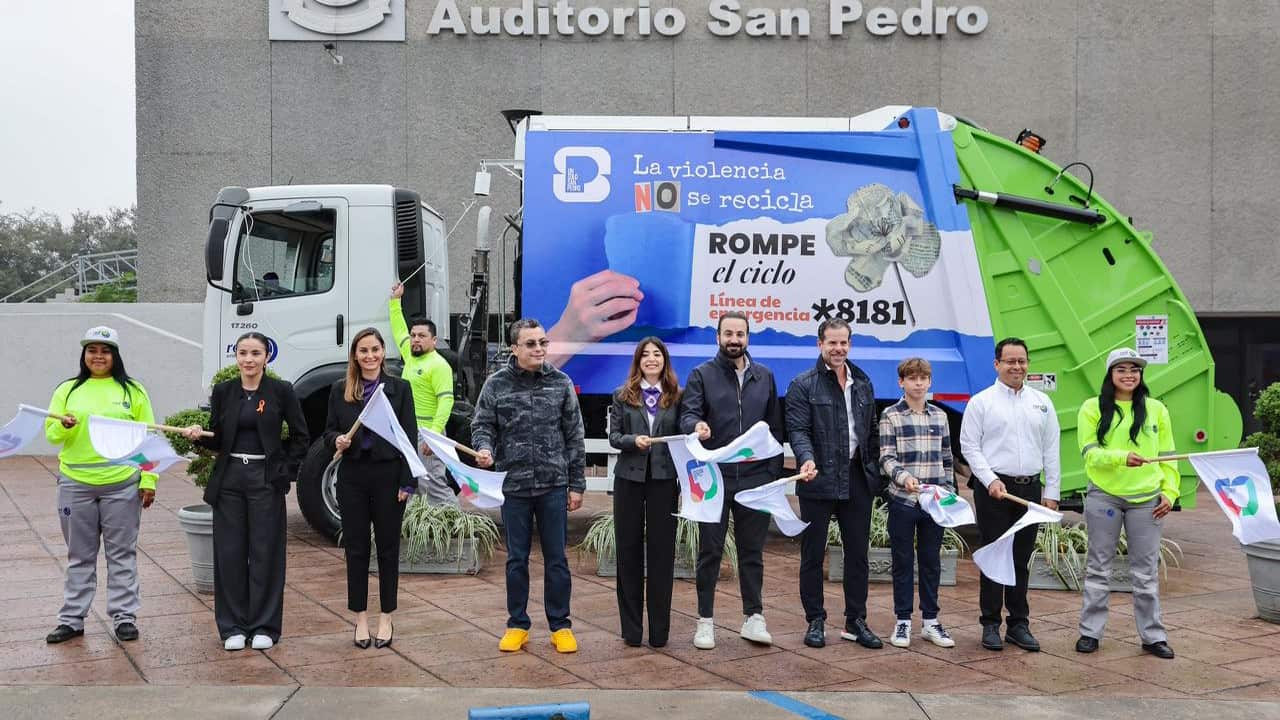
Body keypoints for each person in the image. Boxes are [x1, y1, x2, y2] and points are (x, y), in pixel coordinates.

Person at [181, 332, 309, 651]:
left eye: (255, 353)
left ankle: (265, 625)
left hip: (265, 480)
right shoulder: (224, 392)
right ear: (235, 357)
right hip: (230, 481)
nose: (248, 359)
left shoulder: (281, 391)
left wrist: (283, 470)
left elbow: (300, 437)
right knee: (230, 554)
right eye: (242, 353)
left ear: (267, 357)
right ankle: (233, 627)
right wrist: (198, 437)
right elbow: (218, 438)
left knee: (266, 553)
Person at [473, 318, 586, 654]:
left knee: (557, 560)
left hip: (553, 485)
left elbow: (574, 437)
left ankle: (560, 626)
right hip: (515, 486)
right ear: (514, 348)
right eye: (531, 344)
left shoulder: (561, 383)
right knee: (516, 560)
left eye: (543, 342)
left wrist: (576, 484)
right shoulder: (496, 385)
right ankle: (517, 624)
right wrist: (484, 448)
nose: (539, 349)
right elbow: (482, 425)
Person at [44, 326, 158, 645]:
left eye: (105, 350)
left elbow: (146, 437)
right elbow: (52, 434)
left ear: (115, 355)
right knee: (79, 554)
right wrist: (63, 425)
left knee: (121, 553)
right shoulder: (68, 389)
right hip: (75, 483)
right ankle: (71, 620)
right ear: (84, 355)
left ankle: (124, 617)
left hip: (122, 483)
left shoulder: (133, 391)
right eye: (92, 350)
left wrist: (148, 478)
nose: (98, 356)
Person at [679, 311, 785, 650]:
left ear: (748, 337)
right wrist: (696, 426)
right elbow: (688, 414)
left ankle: (754, 618)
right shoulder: (701, 375)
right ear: (718, 337)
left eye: (740, 333)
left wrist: (772, 476)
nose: (734, 339)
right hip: (715, 480)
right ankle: (705, 622)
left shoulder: (765, 377)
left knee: (752, 552)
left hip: (755, 481)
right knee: (710, 552)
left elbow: (774, 430)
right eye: (728, 333)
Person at [785, 318, 883, 650]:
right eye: (832, 343)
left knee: (858, 555)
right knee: (812, 554)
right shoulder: (803, 384)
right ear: (820, 344)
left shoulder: (864, 382)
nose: (838, 349)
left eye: (844, 343)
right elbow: (798, 431)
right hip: (819, 478)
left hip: (857, 480)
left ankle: (856, 621)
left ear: (849, 345)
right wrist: (805, 458)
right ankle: (815, 620)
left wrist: (876, 474)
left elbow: (870, 432)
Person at [1074, 348, 1177, 659]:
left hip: (1147, 500)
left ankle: (1153, 636)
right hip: (1104, 495)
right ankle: (1090, 633)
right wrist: (1121, 458)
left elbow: (1169, 455)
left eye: (1135, 369)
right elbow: (1089, 453)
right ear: (1110, 374)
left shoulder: (1157, 409)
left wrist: (1170, 492)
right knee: (1098, 568)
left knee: (1145, 573)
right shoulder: (1092, 408)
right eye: (1122, 369)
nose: (1129, 374)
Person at [960, 337, 1060, 652]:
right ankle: (990, 623)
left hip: (1029, 490)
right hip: (994, 491)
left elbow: (1051, 448)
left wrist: (1052, 491)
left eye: (1022, 361)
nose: (1016, 367)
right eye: (1010, 361)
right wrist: (989, 479)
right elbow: (969, 447)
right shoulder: (982, 401)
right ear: (997, 364)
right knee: (993, 556)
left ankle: (1019, 624)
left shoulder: (1041, 402)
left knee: (1021, 559)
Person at [324, 327, 416, 650]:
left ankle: (386, 616)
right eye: (363, 350)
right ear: (355, 355)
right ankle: (361, 617)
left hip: (389, 477)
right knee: (357, 549)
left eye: (375, 349)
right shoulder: (340, 390)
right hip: (353, 478)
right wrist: (336, 439)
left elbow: (409, 437)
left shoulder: (399, 389)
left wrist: (408, 480)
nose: (370, 356)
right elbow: (328, 432)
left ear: (382, 352)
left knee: (388, 550)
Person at [878, 357, 956, 649]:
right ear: (901, 382)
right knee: (902, 561)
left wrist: (947, 490)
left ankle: (931, 621)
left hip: (933, 503)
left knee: (931, 561)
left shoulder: (940, 416)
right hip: (903, 500)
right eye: (912, 378)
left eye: (923, 378)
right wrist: (903, 478)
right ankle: (903, 621)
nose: (918, 383)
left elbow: (947, 458)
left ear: (930, 381)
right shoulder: (890, 416)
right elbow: (886, 457)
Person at [607, 337, 680, 648]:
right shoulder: (623, 396)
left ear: (664, 360)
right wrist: (632, 440)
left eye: (657, 354)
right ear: (638, 361)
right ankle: (632, 631)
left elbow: (686, 430)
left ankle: (660, 632)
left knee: (662, 555)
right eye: (645, 355)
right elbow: (614, 437)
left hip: (664, 480)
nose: (652, 359)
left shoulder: (678, 396)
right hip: (629, 480)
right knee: (628, 552)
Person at [389, 282, 456, 506]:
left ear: (434, 341)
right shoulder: (410, 355)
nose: (415, 339)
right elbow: (399, 329)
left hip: (428, 432)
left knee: (433, 482)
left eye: (422, 336)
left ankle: (456, 527)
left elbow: (446, 400)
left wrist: (434, 434)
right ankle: (415, 529)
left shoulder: (439, 365)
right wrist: (395, 302)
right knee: (411, 481)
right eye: (414, 335)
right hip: (408, 430)